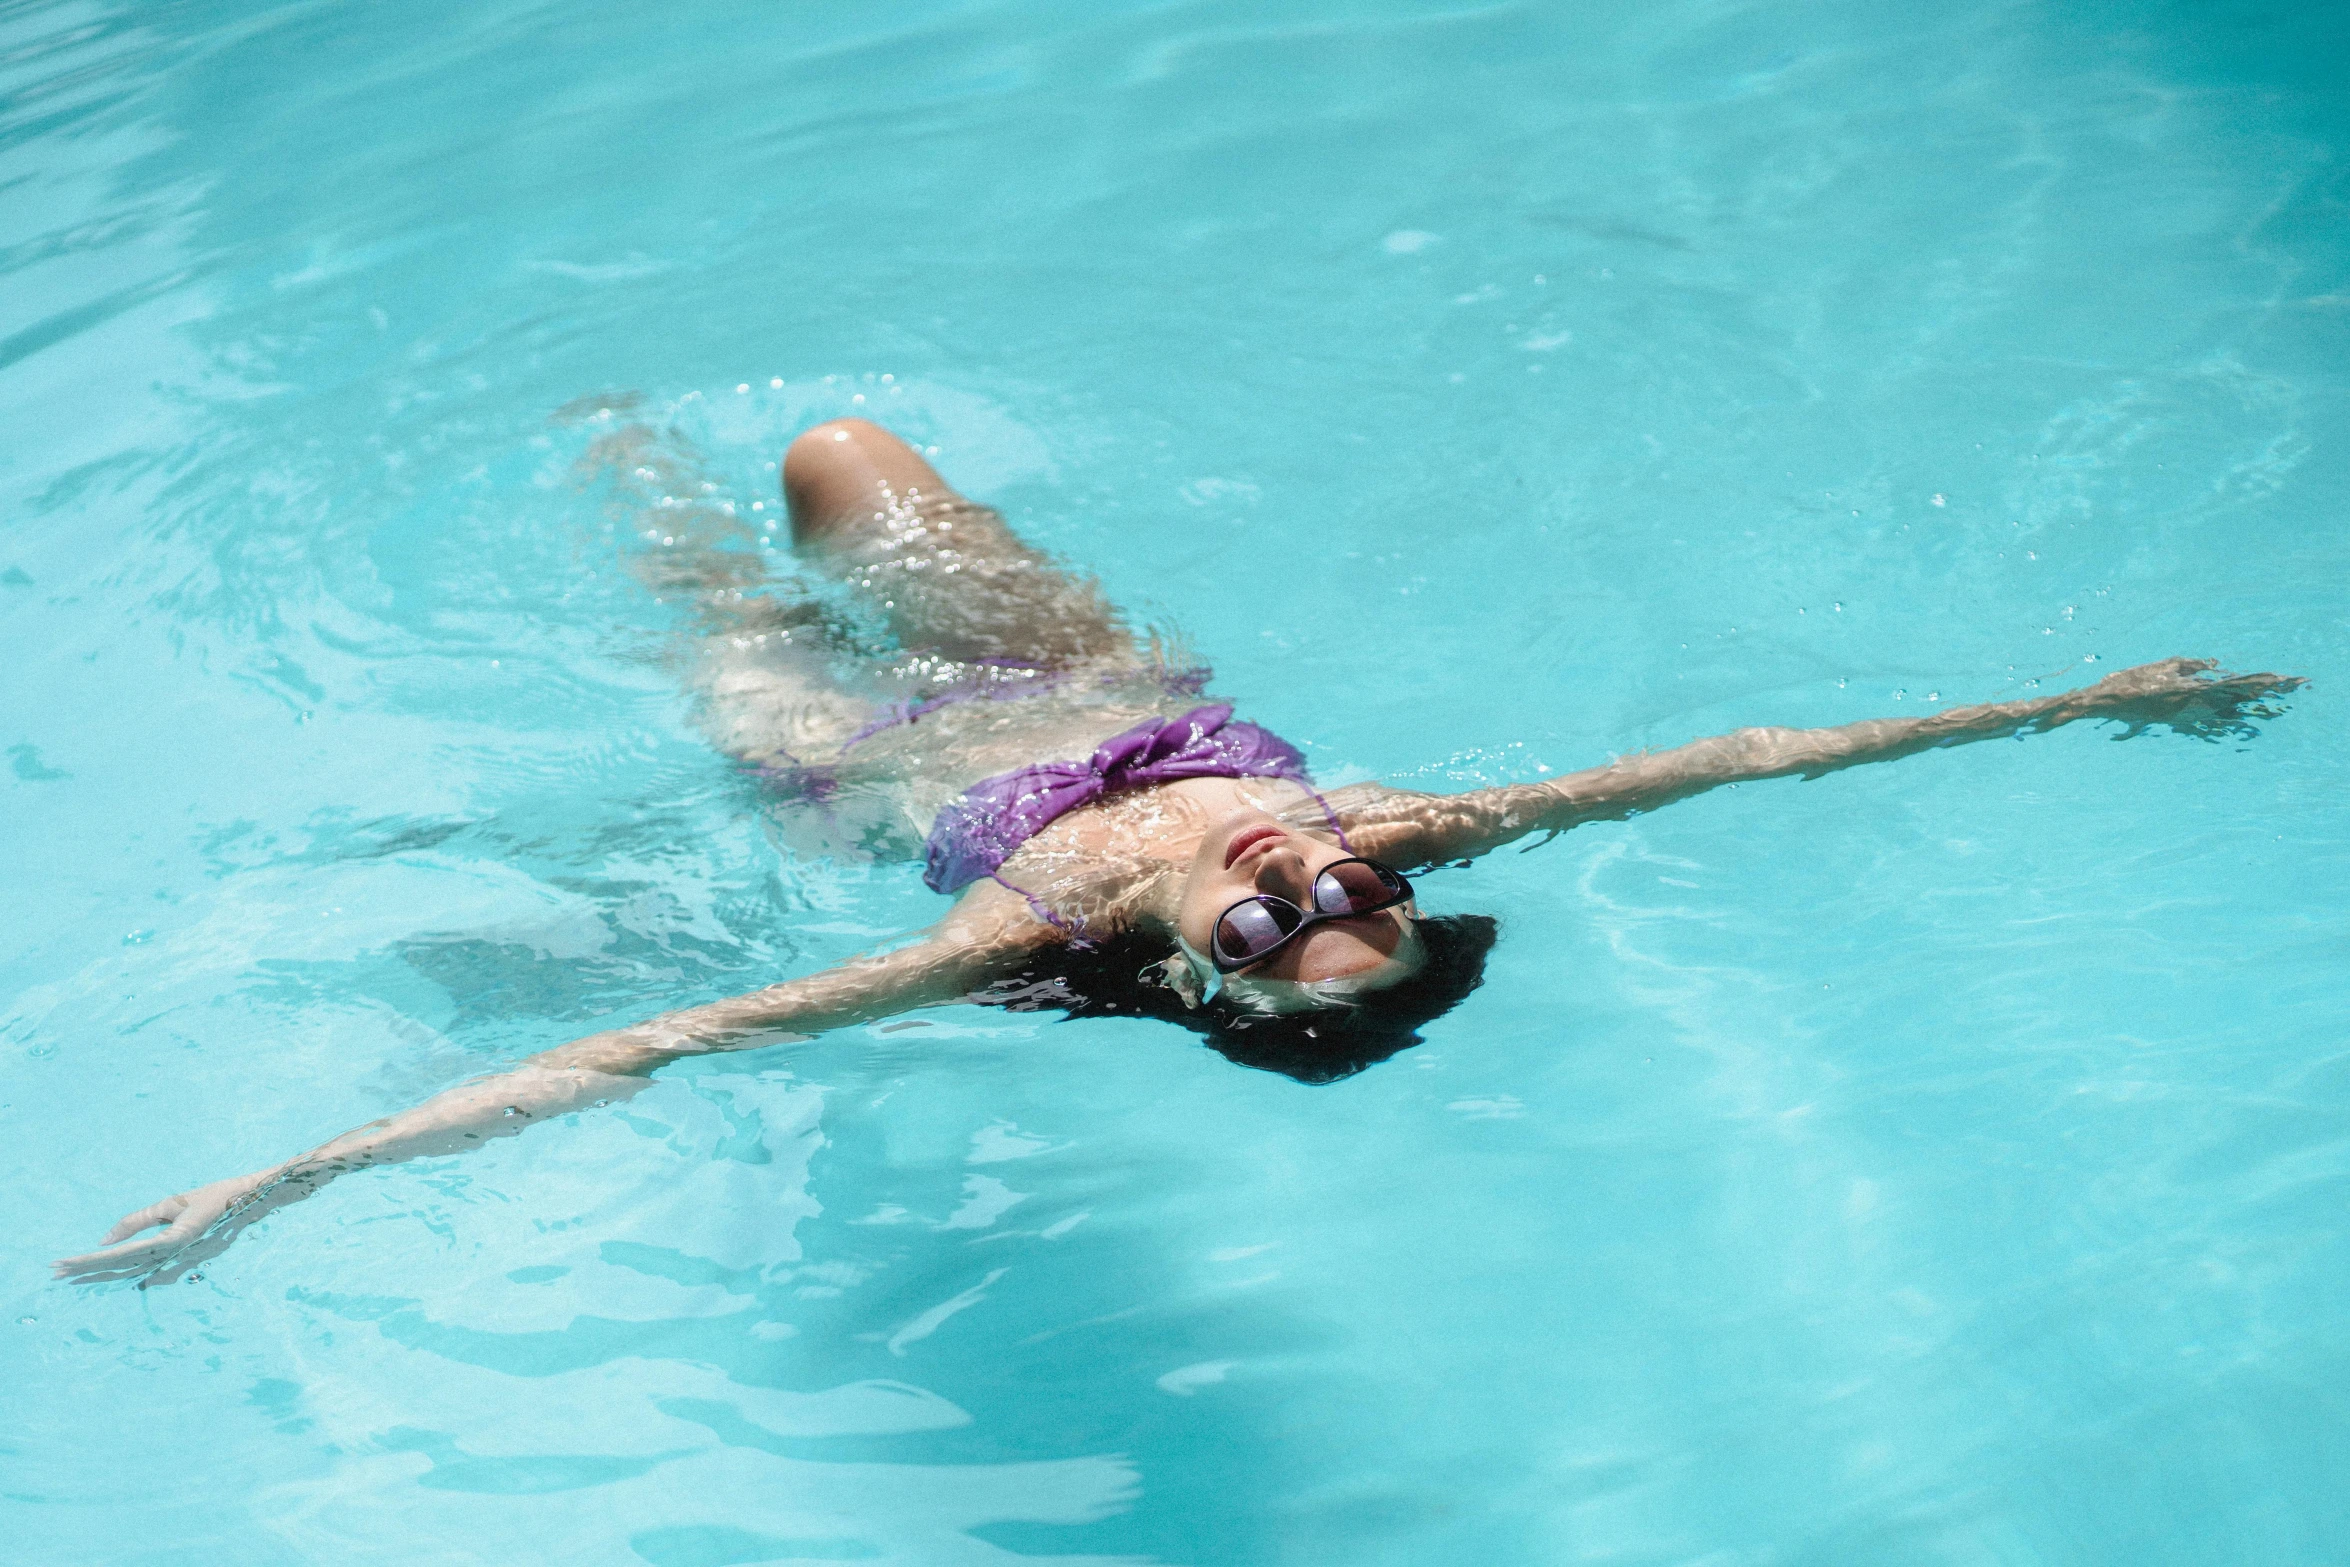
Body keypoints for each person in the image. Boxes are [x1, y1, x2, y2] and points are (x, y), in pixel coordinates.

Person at [56, 417, 2300, 1284]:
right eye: (1370, 905)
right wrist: (2096, 699)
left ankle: (579, 441)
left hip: (864, 761)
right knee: (844, 456)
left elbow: (669, 1044)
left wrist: (282, 1182)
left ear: (1205, 982)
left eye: (1280, 921)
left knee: (688, 555)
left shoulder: (1026, 925)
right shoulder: (1385, 821)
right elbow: (1763, 753)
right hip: (1080, 667)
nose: (1323, 875)